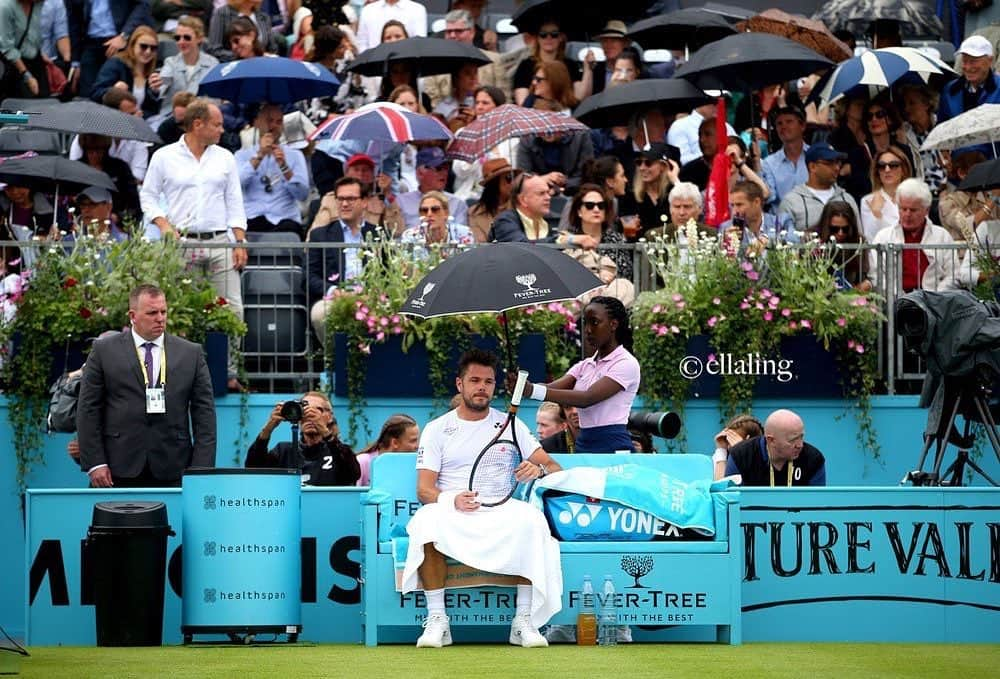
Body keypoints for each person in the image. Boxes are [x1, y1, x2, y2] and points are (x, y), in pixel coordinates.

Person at [401, 348, 562, 648]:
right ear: (459, 384)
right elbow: (424, 490)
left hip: (500, 508)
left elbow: (553, 466)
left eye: (488, 382)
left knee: (532, 521)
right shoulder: (437, 429)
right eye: (474, 380)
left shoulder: (511, 425)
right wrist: (451, 500)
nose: (481, 387)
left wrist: (536, 468)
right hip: (453, 508)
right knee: (425, 523)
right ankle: (438, 621)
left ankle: (523, 622)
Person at [140, 98, 248, 391]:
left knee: (233, 310)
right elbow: (148, 196)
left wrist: (239, 241)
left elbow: (235, 202)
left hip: (219, 242)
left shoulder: (225, 157)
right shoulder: (163, 156)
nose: (222, 129)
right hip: (181, 244)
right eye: (217, 124)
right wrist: (163, 224)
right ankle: (182, 373)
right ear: (197, 124)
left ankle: (229, 372)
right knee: (182, 312)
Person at [76, 284, 217, 488]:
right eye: (152, 313)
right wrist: (95, 463)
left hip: (174, 466)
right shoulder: (104, 350)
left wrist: (202, 470)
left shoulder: (191, 353)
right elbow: (88, 409)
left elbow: (205, 416)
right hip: (117, 468)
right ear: (133, 315)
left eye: (163, 311)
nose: (160, 318)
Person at [522, 296, 640, 453]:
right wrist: (522, 387)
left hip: (612, 444)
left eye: (595, 322)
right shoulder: (585, 365)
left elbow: (587, 398)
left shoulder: (626, 363)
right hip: (583, 442)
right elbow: (550, 389)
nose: (588, 330)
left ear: (613, 325)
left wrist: (532, 390)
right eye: (586, 323)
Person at [308, 177, 382, 344]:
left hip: (370, 298)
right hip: (335, 298)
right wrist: (333, 291)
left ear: (364, 202)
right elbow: (309, 277)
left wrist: (371, 294)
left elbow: (386, 273)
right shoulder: (320, 235)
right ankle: (336, 362)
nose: (345, 204)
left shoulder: (378, 235)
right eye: (340, 199)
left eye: (351, 199)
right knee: (320, 314)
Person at [246, 392, 360, 486]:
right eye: (304, 410)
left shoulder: (339, 451)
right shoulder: (284, 451)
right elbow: (253, 468)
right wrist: (268, 427)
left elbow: (352, 473)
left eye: (317, 410)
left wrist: (324, 430)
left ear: (329, 416)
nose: (310, 415)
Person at [868, 178, 958, 293]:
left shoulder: (942, 236)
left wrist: (934, 297)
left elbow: (953, 274)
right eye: (903, 209)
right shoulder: (883, 237)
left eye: (913, 210)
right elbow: (876, 275)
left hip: (934, 303)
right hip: (894, 303)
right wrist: (899, 297)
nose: (907, 214)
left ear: (926, 210)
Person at [235, 103, 311, 238]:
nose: (274, 126)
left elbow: (302, 194)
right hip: (252, 219)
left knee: (290, 231)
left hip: (285, 219)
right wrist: (259, 155)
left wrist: (284, 166)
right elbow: (237, 184)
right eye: (269, 121)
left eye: (279, 122)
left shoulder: (295, 155)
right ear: (257, 123)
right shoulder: (242, 155)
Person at [422, 9, 510, 108]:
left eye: (458, 31)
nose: (452, 36)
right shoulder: (435, 62)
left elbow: (504, 98)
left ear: (472, 32)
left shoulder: (494, 60)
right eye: (448, 31)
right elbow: (433, 101)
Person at [67, 0, 152, 98]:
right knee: (87, 94)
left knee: (121, 94)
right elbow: (74, 23)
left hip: (122, 43)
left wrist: (124, 35)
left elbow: (143, 4)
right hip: (90, 43)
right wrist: (75, 62)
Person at [724, 409, 826, 486]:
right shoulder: (740, 456)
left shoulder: (813, 458)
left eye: (801, 437)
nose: (800, 445)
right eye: (792, 440)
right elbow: (730, 503)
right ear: (771, 440)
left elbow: (817, 505)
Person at [311, 153, 404, 237]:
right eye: (356, 169)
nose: (360, 173)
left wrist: (388, 194)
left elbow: (397, 231)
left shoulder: (380, 200)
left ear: (373, 176)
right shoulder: (331, 199)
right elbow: (315, 234)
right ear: (346, 174)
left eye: (366, 170)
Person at [937, 35, 1000, 158]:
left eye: (973, 61)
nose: (968, 67)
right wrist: (943, 152)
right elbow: (942, 126)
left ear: (990, 61)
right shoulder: (950, 90)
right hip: (960, 164)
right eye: (965, 61)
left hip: (994, 165)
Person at [779, 142, 860, 234]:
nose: (837, 168)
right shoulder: (791, 201)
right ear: (812, 167)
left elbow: (859, 239)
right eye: (830, 163)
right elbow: (782, 240)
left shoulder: (847, 199)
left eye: (838, 162)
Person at [90, 25, 161, 119]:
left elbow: (153, 110)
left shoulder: (154, 73)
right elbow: (95, 94)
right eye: (143, 46)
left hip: (141, 124)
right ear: (132, 45)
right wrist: (113, 91)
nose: (148, 51)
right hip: (114, 120)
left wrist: (154, 93)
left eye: (153, 48)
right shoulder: (116, 64)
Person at [154, 16, 218, 121]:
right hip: (171, 118)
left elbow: (215, 99)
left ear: (199, 38)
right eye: (177, 38)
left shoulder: (213, 64)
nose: (181, 42)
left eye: (187, 37)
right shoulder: (170, 62)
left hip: (201, 119)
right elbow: (164, 81)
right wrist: (157, 86)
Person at [511, 19, 588, 105]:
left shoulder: (570, 65)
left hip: (564, 112)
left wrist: (588, 68)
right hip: (535, 113)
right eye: (543, 34)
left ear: (561, 37)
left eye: (554, 34)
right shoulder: (526, 65)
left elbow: (579, 98)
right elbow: (522, 103)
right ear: (537, 38)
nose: (549, 38)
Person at [396, 147, 469, 229]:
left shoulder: (458, 203)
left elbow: (462, 236)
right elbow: (395, 235)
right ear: (420, 173)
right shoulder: (401, 202)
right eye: (439, 169)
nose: (444, 173)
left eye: (446, 168)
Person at [719, 181, 798, 254]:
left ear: (757, 202)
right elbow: (720, 260)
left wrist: (769, 240)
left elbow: (796, 240)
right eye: (732, 205)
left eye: (739, 205)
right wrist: (725, 245)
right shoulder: (726, 227)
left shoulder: (781, 221)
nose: (734, 211)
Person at [621, 142, 680, 238]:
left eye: (648, 163)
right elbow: (625, 234)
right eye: (639, 163)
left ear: (663, 166)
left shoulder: (674, 193)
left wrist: (675, 180)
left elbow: (689, 208)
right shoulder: (630, 197)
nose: (642, 168)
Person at [939, 151, 1000, 241]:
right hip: (962, 254)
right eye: (979, 171)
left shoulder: (986, 197)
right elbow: (969, 228)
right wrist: (993, 198)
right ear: (961, 173)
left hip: (991, 252)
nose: (984, 175)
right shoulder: (948, 202)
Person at [816, 200, 873, 292]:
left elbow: (866, 275)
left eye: (845, 229)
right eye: (834, 229)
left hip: (853, 296)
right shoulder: (813, 242)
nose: (840, 233)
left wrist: (864, 285)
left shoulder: (859, 242)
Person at [400, 190, 474, 260]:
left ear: (446, 213)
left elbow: (469, 263)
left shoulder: (464, 233)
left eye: (435, 209)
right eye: (424, 210)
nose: (429, 214)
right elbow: (407, 268)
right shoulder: (409, 236)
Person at [860, 145, 913, 242]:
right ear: (877, 172)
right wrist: (876, 214)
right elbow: (870, 238)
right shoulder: (868, 201)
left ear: (904, 170)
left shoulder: (915, 198)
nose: (887, 170)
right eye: (882, 166)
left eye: (893, 165)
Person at [760, 105, 810, 208]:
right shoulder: (769, 163)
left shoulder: (815, 156)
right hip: (782, 220)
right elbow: (769, 197)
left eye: (789, 121)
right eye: (779, 123)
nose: (783, 127)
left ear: (802, 126)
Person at [355, 413, 419, 486]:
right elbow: (351, 495)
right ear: (395, 442)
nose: (417, 446)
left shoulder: (413, 466)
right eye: (413, 441)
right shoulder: (363, 462)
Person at [489, 173, 555, 243]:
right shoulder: (504, 221)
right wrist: (558, 241)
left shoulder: (546, 222)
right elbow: (522, 246)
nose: (548, 197)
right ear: (523, 200)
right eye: (541, 193)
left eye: (548, 192)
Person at [207, 0, 279, 61]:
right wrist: (244, 57)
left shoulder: (264, 17)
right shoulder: (222, 14)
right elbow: (214, 50)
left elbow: (273, 48)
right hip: (233, 67)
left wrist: (262, 57)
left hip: (262, 65)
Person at [468, 158, 519, 242]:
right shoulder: (474, 213)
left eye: (515, 177)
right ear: (494, 183)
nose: (513, 183)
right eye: (509, 178)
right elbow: (479, 244)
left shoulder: (521, 207)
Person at [356, 0, 427, 53]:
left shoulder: (417, 9)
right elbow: (362, 42)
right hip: (374, 67)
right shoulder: (368, 10)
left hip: (406, 66)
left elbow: (420, 42)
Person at [711, 414, 763, 480]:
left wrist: (741, 450)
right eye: (727, 440)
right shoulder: (721, 458)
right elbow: (720, 486)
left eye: (732, 440)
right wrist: (721, 450)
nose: (729, 446)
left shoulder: (762, 461)